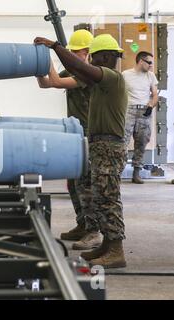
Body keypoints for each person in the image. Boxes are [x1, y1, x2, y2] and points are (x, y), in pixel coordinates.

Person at [35, 34, 128, 268]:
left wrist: (55, 47)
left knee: (108, 198)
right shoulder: (98, 81)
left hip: (109, 146)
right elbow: (76, 70)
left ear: (104, 57)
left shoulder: (112, 78)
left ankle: (116, 250)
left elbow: (78, 66)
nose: (91, 62)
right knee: (99, 196)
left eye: (94, 57)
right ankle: (107, 245)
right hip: (100, 145)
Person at [36, 30, 100, 251]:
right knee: (73, 183)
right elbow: (45, 84)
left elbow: (54, 81)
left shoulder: (88, 74)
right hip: (75, 134)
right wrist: (37, 68)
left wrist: (45, 57)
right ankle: (82, 224)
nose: (73, 55)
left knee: (86, 185)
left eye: (77, 51)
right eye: (71, 51)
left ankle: (93, 232)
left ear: (88, 53)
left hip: (89, 135)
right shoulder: (73, 69)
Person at [123, 51, 159, 184]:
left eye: (152, 63)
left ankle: (136, 173)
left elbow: (155, 94)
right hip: (129, 111)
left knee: (141, 142)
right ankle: (117, 171)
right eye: (149, 62)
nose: (151, 65)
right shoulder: (126, 74)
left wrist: (150, 106)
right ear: (140, 61)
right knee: (123, 141)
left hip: (144, 111)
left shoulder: (151, 76)